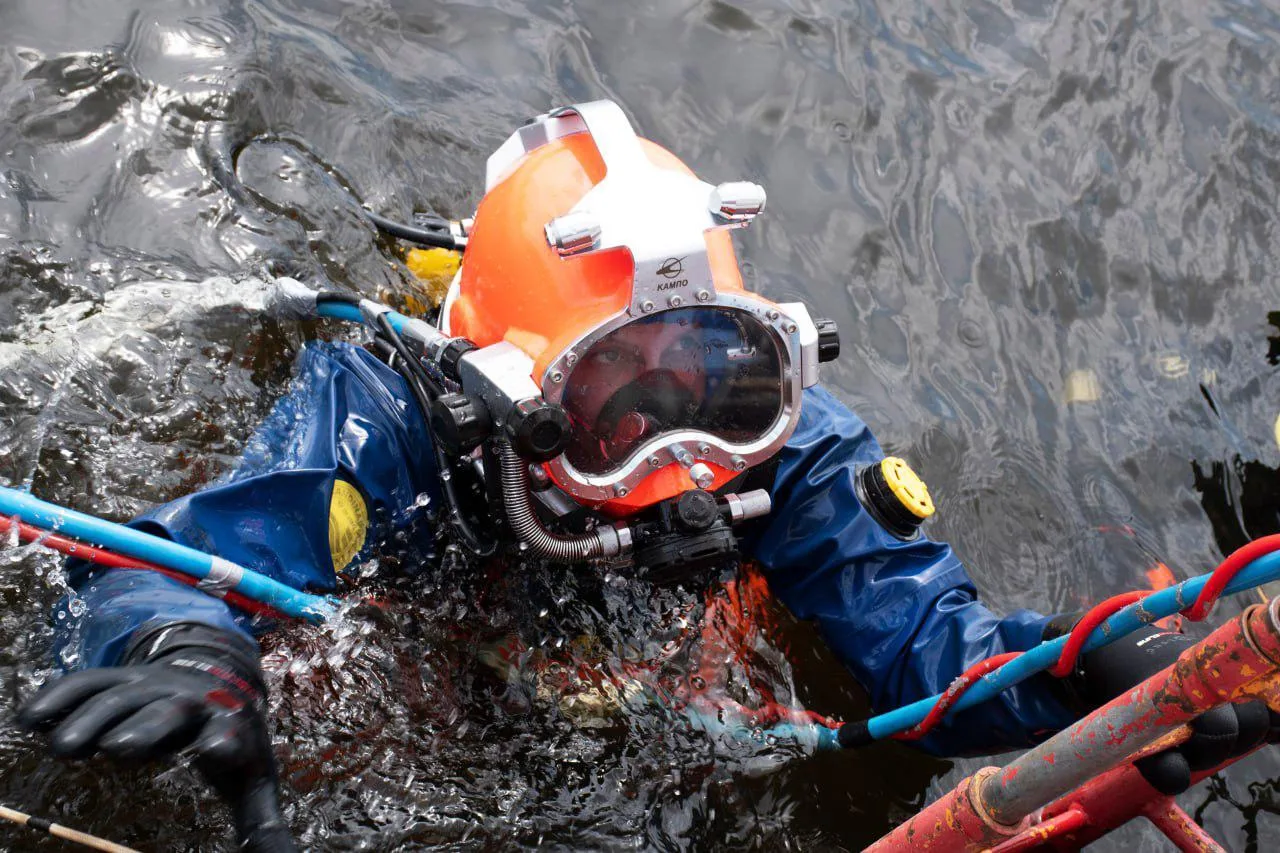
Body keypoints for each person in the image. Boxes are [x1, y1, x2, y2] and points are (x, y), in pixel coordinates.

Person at [17, 101, 1273, 850]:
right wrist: (187, 649)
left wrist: (1084, 676)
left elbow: (930, 664)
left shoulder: (792, 440)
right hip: (434, 600)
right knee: (341, 702)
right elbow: (193, 553)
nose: (680, 442)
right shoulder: (385, 406)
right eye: (622, 395)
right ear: (511, 387)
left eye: (716, 378)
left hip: (657, 647)